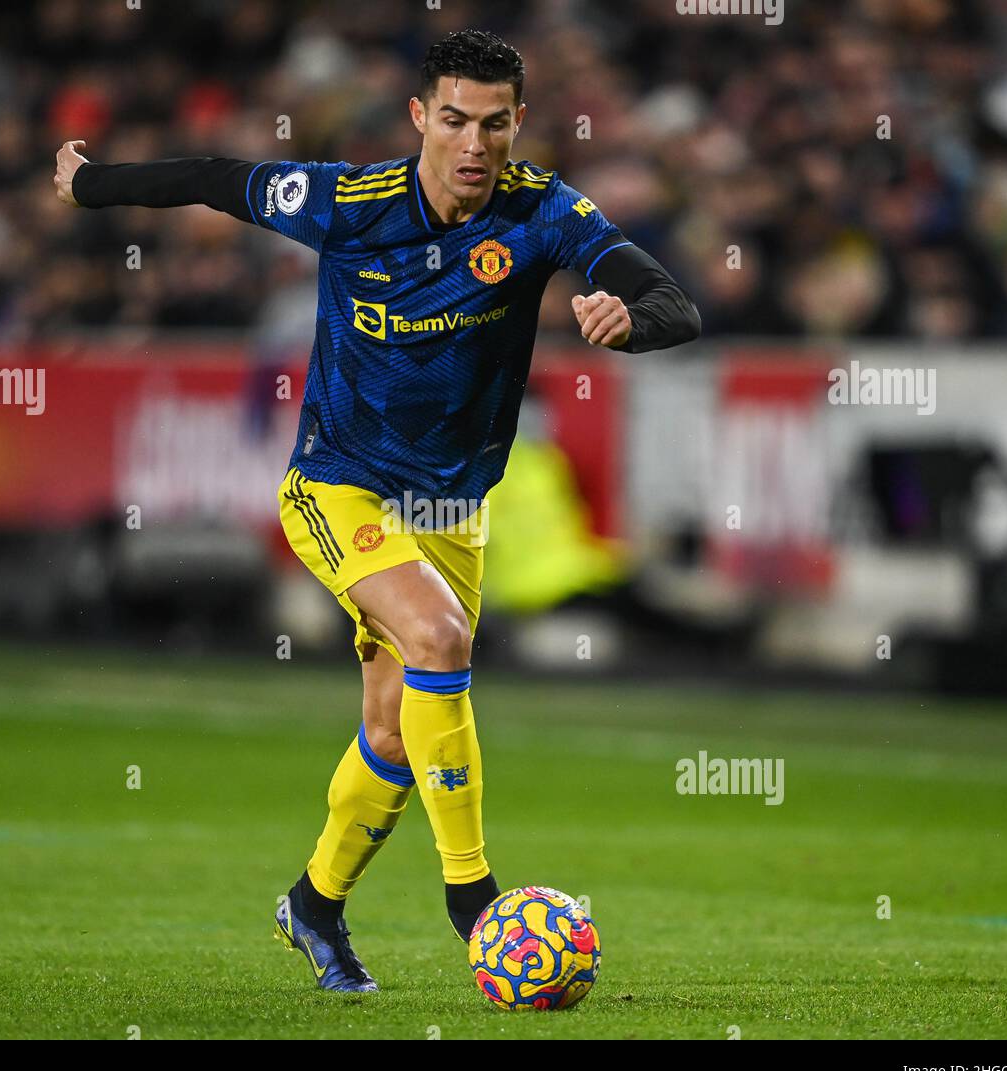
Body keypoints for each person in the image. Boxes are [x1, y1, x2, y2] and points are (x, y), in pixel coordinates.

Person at [54, 27, 700, 992]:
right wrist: (89, 184)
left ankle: (313, 905)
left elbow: (671, 300)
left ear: (518, 124)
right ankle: (474, 900)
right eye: (454, 121)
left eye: (494, 124)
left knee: (397, 730)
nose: (474, 144)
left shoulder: (544, 213)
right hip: (337, 486)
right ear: (420, 119)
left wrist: (629, 322)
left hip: (451, 515)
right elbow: (214, 176)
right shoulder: (349, 204)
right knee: (439, 641)